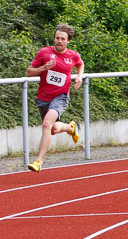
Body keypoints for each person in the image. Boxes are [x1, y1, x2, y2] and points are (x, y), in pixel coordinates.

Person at [25, 23, 84, 172]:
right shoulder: (44, 53)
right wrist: (42, 68)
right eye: (57, 38)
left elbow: (80, 63)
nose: (59, 41)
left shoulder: (72, 55)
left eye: (62, 39)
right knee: (53, 129)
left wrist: (79, 77)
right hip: (43, 97)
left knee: (46, 124)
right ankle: (70, 128)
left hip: (61, 96)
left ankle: (39, 161)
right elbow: (29, 72)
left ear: (68, 40)